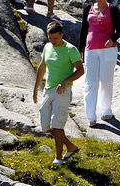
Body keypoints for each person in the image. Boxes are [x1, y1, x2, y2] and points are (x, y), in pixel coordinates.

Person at [33, 21, 85, 165]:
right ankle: (71, 147)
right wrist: (36, 88)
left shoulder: (71, 49)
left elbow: (81, 70)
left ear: (62, 35)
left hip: (63, 91)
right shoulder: (47, 47)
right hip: (48, 90)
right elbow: (42, 67)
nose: (53, 41)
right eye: (50, 38)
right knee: (46, 126)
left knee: (57, 124)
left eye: (56, 38)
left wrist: (65, 82)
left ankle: (59, 158)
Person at [78, 0, 120, 126]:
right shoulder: (88, 9)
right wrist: (80, 49)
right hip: (91, 48)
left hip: (108, 49)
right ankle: (91, 116)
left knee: (105, 81)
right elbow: (84, 29)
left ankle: (105, 111)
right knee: (90, 81)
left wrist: (112, 39)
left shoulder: (113, 9)